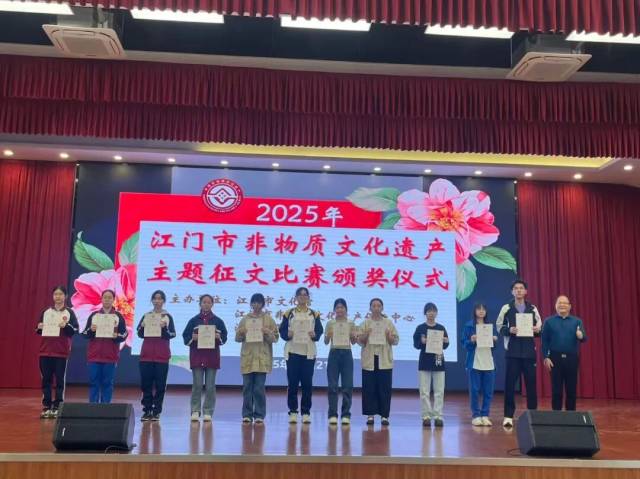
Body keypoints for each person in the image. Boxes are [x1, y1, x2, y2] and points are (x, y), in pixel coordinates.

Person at [496, 279, 542, 427]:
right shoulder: (506, 308)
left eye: (521, 288)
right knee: (509, 385)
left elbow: (539, 327)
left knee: (531, 385)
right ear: (512, 292)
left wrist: (537, 330)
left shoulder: (532, 308)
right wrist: (509, 330)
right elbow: (499, 326)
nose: (519, 290)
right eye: (516, 288)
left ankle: (532, 415)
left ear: (526, 291)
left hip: (529, 352)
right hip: (513, 352)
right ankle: (508, 416)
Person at [279, 286, 323, 424]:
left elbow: (319, 331)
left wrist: (315, 335)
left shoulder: (314, 314)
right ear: (296, 297)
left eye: (305, 295)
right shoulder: (289, 313)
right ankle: (293, 411)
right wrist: (287, 334)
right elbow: (282, 331)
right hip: (293, 352)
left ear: (308, 298)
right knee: (292, 383)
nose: (303, 297)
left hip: (308, 353)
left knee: (307, 384)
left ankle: (306, 412)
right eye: (300, 295)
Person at [182, 294, 228, 422]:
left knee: (210, 386)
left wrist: (219, 337)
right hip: (197, 357)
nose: (206, 304)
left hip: (212, 358)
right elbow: (185, 337)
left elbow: (224, 337)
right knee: (197, 385)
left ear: (212, 304)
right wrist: (193, 338)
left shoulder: (218, 321)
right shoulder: (193, 320)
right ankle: (195, 411)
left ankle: (208, 411)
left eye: (208, 302)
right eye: (204, 302)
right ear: (200, 304)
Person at [35, 285, 79, 418]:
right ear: (53, 296)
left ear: (65, 296)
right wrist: (39, 327)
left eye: (60, 294)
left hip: (61, 352)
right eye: (55, 294)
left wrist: (66, 326)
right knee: (46, 380)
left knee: (60, 380)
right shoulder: (46, 312)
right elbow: (38, 330)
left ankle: (58, 405)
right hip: (45, 352)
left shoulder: (69, 312)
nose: (58, 297)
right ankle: (47, 405)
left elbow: (75, 330)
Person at [235, 293, 279, 424]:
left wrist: (268, 332)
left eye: (259, 302)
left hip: (261, 358)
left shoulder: (269, 320)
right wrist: (241, 333)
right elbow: (237, 339)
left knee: (259, 388)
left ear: (263, 304)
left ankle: (259, 414)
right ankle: (247, 414)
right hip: (248, 358)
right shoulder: (245, 319)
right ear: (251, 304)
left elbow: (275, 339)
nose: (256, 305)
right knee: (247, 387)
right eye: (254, 302)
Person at [136, 290, 176, 421]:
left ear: (163, 301)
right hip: (146, 356)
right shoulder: (146, 316)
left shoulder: (167, 317)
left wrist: (164, 328)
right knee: (146, 385)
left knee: (160, 385)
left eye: (160, 298)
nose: (157, 301)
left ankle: (157, 411)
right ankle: (147, 410)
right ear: (152, 300)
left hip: (161, 357)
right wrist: (142, 326)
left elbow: (172, 334)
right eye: (155, 298)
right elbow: (139, 333)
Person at [541, 295, 587, 411]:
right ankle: (556, 415)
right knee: (556, 390)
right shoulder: (549, 321)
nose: (562, 305)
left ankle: (570, 415)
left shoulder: (577, 321)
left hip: (572, 358)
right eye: (559, 303)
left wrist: (580, 336)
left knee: (571, 389)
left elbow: (584, 338)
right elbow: (544, 341)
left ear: (569, 306)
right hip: (554, 358)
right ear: (555, 306)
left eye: (565, 303)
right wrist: (546, 357)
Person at [82, 289, 128, 403]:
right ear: (101, 299)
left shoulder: (118, 316)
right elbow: (84, 333)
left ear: (113, 300)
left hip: (110, 356)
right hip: (94, 356)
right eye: (105, 297)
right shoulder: (94, 316)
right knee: (94, 382)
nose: (107, 300)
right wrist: (91, 330)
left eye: (109, 297)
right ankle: (93, 407)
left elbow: (124, 334)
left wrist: (117, 336)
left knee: (107, 383)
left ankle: (105, 407)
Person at [358, 298, 399, 426]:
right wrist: (366, 334)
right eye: (374, 306)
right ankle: (370, 415)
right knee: (369, 388)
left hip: (384, 360)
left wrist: (389, 336)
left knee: (384, 388)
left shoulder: (388, 323)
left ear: (382, 308)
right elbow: (359, 341)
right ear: (370, 308)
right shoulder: (365, 323)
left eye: (379, 306)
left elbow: (396, 341)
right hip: (369, 360)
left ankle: (384, 416)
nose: (376, 308)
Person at [413, 302, 449, 427]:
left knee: (439, 390)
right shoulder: (420, 328)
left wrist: (446, 341)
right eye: (429, 311)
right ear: (425, 313)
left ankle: (438, 415)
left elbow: (446, 345)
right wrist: (421, 341)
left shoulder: (441, 328)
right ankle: (426, 416)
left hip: (438, 360)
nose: (431, 313)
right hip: (424, 361)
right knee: (424, 391)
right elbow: (415, 344)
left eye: (433, 311)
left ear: (436, 313)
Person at [462, 303, 499, 426]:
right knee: (474, 390)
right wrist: (471, 340)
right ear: (475, 311)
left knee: (488, 391)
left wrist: (495, 340)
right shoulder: (468, 326)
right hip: (474, 362)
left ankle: (485, 415)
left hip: (488, 362)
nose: (481, 311)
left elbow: (494, 346)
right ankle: (476, 415)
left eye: (483, 309)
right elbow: (464, 344)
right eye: (479, 309)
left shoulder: (490, 326)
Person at [324, 298, 357, 426]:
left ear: (346, 309)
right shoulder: (330, 323)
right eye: (337, 307)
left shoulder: (351, 323)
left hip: (347, 354)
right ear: (334, 310)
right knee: (332, 385)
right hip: (334, 354)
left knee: (347, 385)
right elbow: (326, 342)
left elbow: (354, 342)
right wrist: (328, 335)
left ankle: (345, 414)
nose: (340, 310)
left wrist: (353, 337)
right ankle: (332, 414)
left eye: (342, 307)